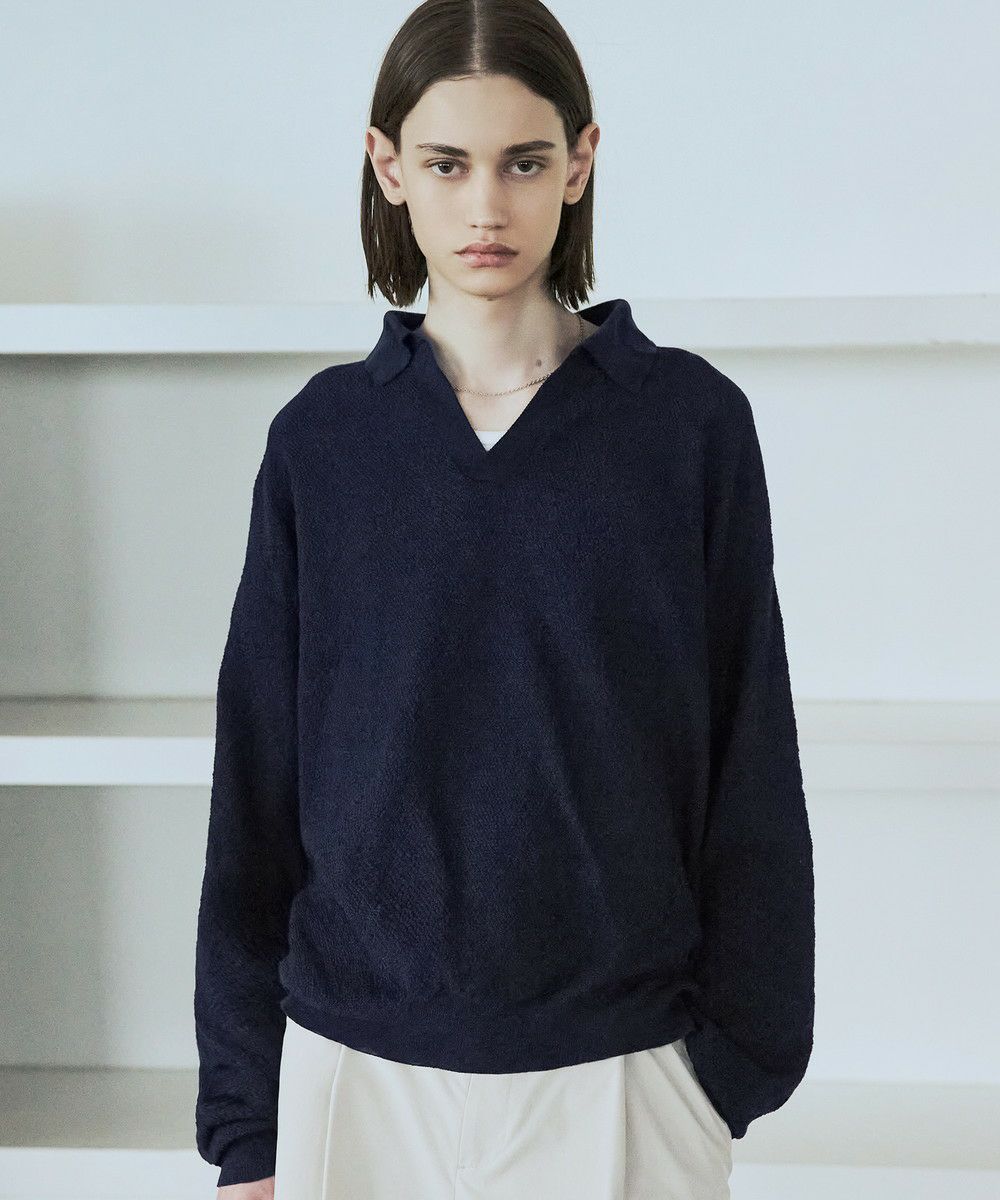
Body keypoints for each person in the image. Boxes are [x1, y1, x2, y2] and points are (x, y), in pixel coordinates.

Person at [193, 1, 815, 1197]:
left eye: (523, 163)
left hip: (625, 1070)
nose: (486, 206)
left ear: (580, 162)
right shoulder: (323, 442)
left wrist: (735, 1065)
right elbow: (256, 781)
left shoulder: (685, 426)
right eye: (447, 164)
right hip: (351, 1072)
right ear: (387, 166)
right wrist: (247, 1124)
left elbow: (751, 750)